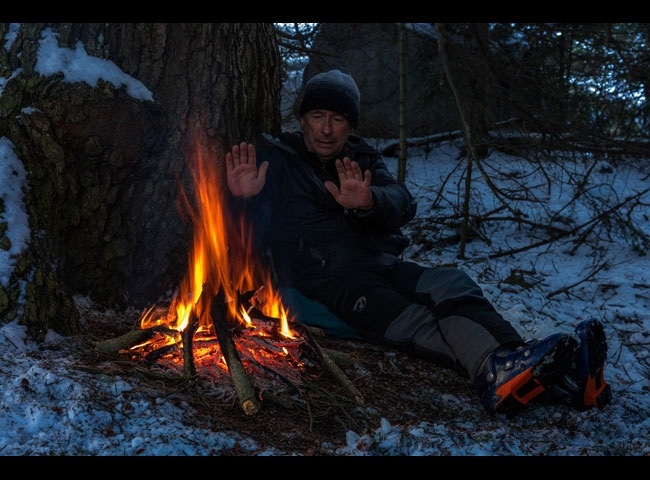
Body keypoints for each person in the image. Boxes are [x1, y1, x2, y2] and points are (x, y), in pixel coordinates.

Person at [225, 69, 612, 417]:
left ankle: (521, 367)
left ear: (350, 125)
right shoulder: (277, 159)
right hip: (330, 285)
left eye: (338, 119)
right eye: (317, 116)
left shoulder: (361, 157)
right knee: (419, 321)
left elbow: (402, 201)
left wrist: (370, 201)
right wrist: (242, 200)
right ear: (303, 119)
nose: (326, 129)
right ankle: (548, 380)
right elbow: (237, 239)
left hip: (382, 264)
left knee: (452, 283)